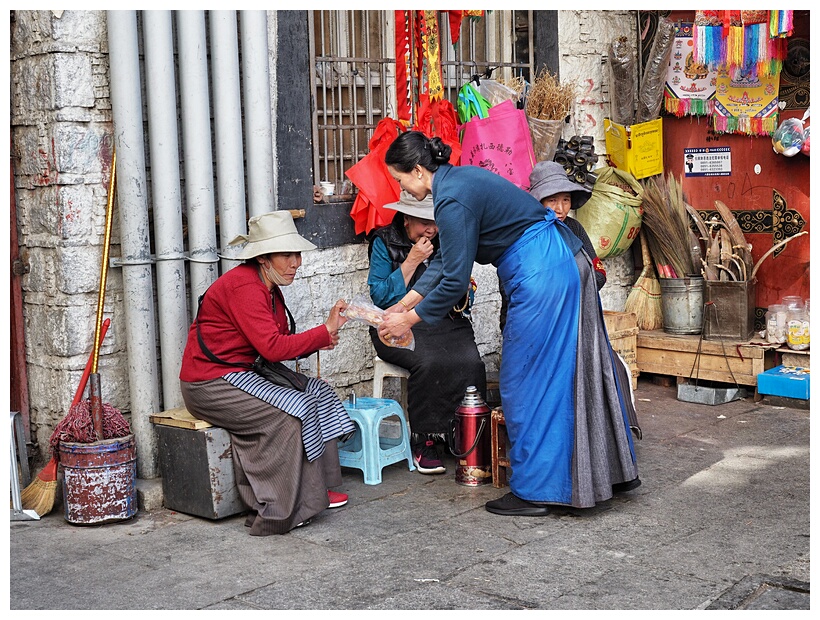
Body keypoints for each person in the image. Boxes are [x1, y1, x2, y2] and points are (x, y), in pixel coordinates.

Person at [380, 131, 639, 517]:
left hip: (542, 270)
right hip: (559, 260)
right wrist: (401, 305)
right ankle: (607, 474)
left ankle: (536, 491)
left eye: (400, 180)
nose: (402, 188)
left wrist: (409, 322)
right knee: (568, 371)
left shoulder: (451, 198)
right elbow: (443, 265)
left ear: (417, 170)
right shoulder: (459, 182)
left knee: (523, 379)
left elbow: (454, 280)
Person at [179, 210, 355, 535]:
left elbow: (275, 344)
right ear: (263, 258)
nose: (296, 262)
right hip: (209, 383)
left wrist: (323, 336)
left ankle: (322, 489)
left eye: (297, 253)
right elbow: (273, 348)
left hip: (243, 373)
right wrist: (321, 332)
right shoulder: (244, 287)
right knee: (288, 417)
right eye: (287, 254)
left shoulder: (268, 285)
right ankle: (282, 509)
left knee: (317, 392)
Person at [367, 190, 486, 474]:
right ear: (407, 218)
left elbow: (452, 286)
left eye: (435, 221)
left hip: (441, 320)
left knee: (471, 363)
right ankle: (426, 438)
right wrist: (411, 261)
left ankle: (463, 431)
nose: (431, 229)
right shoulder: (384, 241)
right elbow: (380, 296)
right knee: (429, 362)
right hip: (394, 325)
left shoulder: (446, 238)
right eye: (423, 222)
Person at [500, 160, 606, 331]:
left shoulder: (574, 228)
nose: (560, 209)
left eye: (566, 200)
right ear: (538, 201)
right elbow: (510, 285)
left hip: (571, 321)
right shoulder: (522, 233)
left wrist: (564, 293)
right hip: (529, 324)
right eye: (552, 200)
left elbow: (599, 273)